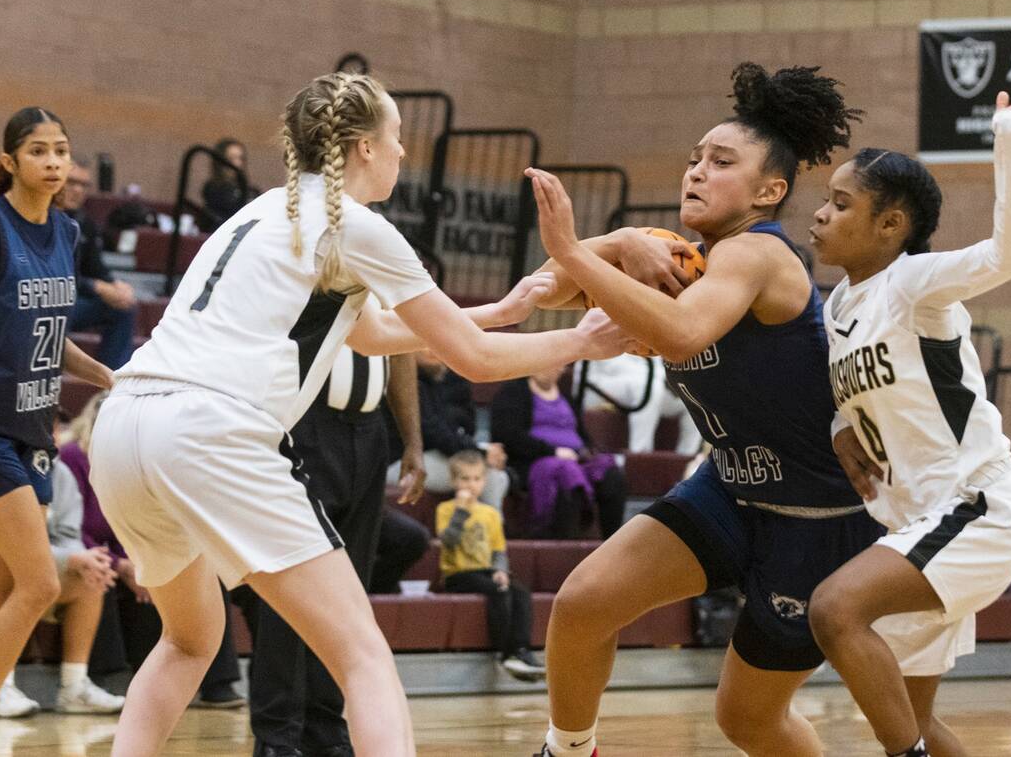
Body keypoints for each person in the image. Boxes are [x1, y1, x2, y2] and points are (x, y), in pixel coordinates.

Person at [85, 71, 626, 757]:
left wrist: (500, 310)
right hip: (209, 430)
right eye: (397, 138)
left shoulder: (263, 210)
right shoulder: (357, 224)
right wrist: (581, 340)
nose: (403, 154)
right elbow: (473, 361)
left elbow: (367, 330)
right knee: (363, 655)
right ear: (365, 148)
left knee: (189, 639)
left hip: (126, 424)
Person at [524, 63, 878, 757]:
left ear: (769, 190)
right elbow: (545, 288)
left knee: (747, 720)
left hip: (817, 517)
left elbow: (683, 332)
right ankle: (569, 750)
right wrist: (621, 240)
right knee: (582, 604)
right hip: (732, 487)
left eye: (720, 162)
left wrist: (573, 245)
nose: (696, 172)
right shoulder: (684, 258)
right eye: (693, 158)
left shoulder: (759, 255)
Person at [805, 66, 1011, 757]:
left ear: (890, 225)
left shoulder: (914, 285)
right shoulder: (837, 304)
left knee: (834, 608)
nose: (820, 213)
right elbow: (860, 393)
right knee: (915, 725)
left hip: (973, 509)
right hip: (916, 521)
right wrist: (838, 425)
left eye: (840, 202)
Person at [0, 107, 113, 756]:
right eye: (38, 150)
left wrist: (104, 373)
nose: (53, 161)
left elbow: (49, 334)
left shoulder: (67, 232)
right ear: (12, 161)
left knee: (1, 597)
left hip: (34, 432)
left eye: (62, 150)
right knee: (41, 583)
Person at [245, 342, 425, 757]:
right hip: (304, 424)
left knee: (348, 591)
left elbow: (401, 349)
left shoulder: (395, 281)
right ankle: (277, 735)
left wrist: (412, 440)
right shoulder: (315, 275)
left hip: (368, 433)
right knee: (293, 586)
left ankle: (324, 726)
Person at [58, 392, 244, 709]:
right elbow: (78, 529)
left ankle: (216, 685)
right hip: (90, 554)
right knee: (99, 575)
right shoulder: (74, 457)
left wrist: (141, 561)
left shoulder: (148, 459)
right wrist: (122, 565)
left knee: (196, 580)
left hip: (137, 551)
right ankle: (105, 682)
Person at [0, 461, 126, 717]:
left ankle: (74, 687)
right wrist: (70, 559)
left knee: (88, 582)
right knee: (10, 582)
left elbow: (69, 535)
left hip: (32, 557)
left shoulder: (59, 472)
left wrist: (81, 560)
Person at [436, 450, 543, 679]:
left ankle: (522, 650)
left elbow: (498, 550)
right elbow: (449, 541)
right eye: (465, 479)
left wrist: (501, 571)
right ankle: (504, 653)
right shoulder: (445, 509)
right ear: (454, 481)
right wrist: (461, 512)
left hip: (486, 571)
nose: (471, 484)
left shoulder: (490, 514)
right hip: (458, 574)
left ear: (484, 481)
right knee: (497, 592)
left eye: (476, 479)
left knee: (520, 592)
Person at [491, 366, 627, 539]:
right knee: (568, 473)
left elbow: (582, 435)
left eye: (558, 365)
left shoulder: (566, 397)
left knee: (611, 473)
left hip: (575, 458)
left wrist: (587, 451)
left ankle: (611, 541)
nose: (554, 369)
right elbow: (508, 435)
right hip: (533, 461)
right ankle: (564, 543)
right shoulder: (512, 393)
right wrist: (553, 451)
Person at [386, 349, 510, 509]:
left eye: (435, 343)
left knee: (497, 472)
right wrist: (481, 453)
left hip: (438, 453)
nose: (432, 350)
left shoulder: (450, 379)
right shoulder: (406, 382)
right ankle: (489, 532)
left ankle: (481, 528)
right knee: (490, 476)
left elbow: (465, 427)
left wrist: (480, 451)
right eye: (423, 344)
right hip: (401, 463)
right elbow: (434, 434)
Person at [57, 160, 137, 369]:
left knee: (123, 307)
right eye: (72, 182)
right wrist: (98, 287)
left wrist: (116, 285)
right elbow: (55, 275)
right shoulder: (44, 219)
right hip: (49, 302)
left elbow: (96, 268)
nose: (77, 190)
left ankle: (111, 380)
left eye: (84, 185)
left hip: (75, 302)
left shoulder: (85, 223)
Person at [577, 354, 702, 454]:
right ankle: (640, 455)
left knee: (693, 395)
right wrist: (665, 377)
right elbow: (614, 366)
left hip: (642, 382)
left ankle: (687, 458)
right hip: (599, 383)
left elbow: (656, 362)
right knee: (649, 387)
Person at [200, 138, 259, 232]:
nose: (238, 163)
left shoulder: (251, 191)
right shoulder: (213, 190)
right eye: (231, 158)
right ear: (221, 161)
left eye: (241, 158)